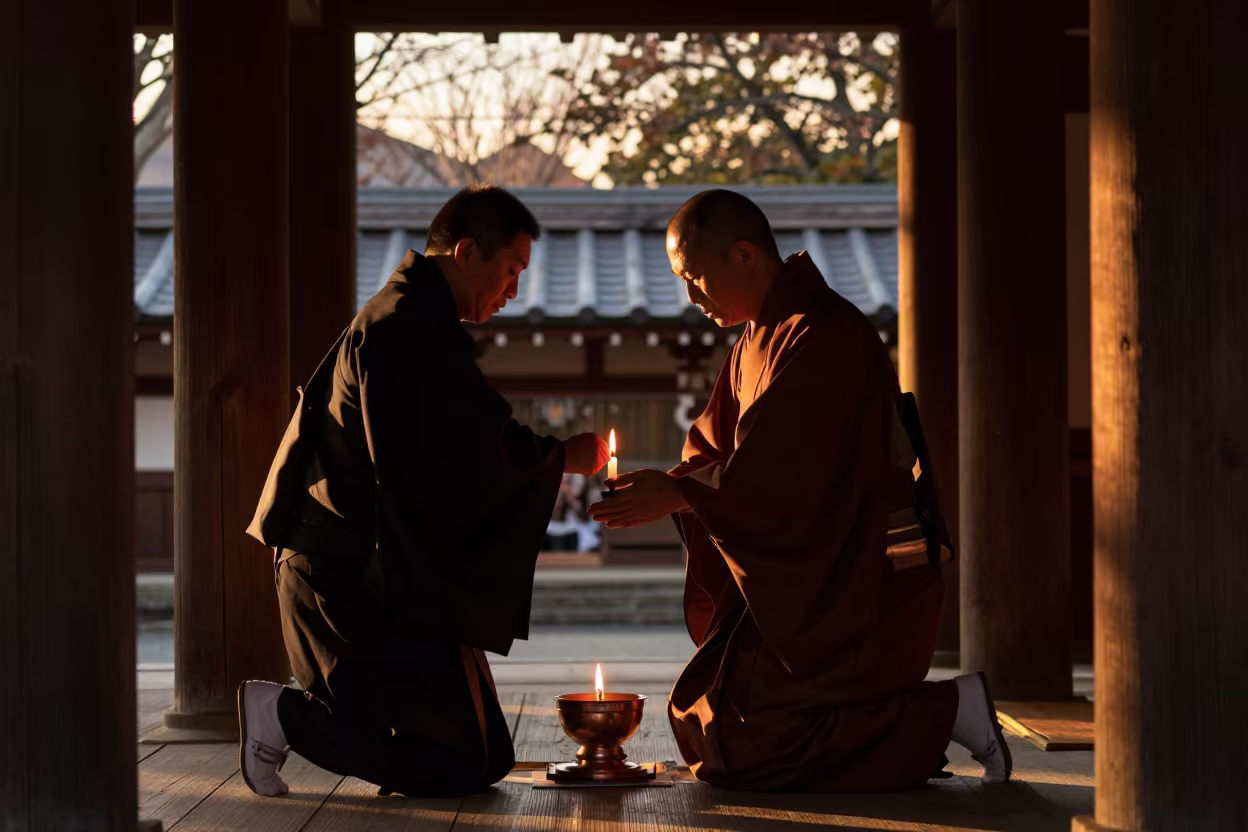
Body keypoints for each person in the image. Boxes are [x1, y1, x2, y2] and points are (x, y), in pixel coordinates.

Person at [588, 189, 1011, 792]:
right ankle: (932, 717)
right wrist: (674, 486)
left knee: (748, 738)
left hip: (853, 583)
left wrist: (683, 493)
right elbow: (712, 450)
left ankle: (946, 712)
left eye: (695, 277)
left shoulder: (826, 333)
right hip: (800, 582)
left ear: (744, 254)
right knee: (703, 716)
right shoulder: (755, 341)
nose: (691, 297)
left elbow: (786, 472)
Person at [240, 185, 609, 798]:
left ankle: (300, 716)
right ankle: (282, 715)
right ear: (467, 251)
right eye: (511, 270)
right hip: (342, 576)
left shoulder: (414, 321)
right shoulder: (401, 327)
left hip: (379, 565)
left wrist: (546, 460)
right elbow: (452, 457)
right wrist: (555, 457)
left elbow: (451, 447)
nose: (514, 290)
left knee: (485, 754)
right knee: (456, 761)